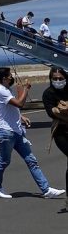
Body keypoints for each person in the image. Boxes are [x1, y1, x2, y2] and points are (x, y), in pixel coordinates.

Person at [0, 66, 64, 199]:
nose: (12, 77)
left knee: (31, 160)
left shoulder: (7, 90)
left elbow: (11, 109)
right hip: (6, 133)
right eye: (10, 75)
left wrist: (21, 117)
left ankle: (46, 190)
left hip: (17, 132)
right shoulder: (1, 91)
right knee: (4, 161)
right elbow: (19, 103)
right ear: (4, 78)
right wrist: (25, 89)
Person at [42, 66, 68, 207]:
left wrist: (62, 109)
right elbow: (52, 112)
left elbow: (59, 110)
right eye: (55, 79)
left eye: (61, 78)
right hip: (60, 132)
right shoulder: (48, 94)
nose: (58, 81)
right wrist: (62, 111)